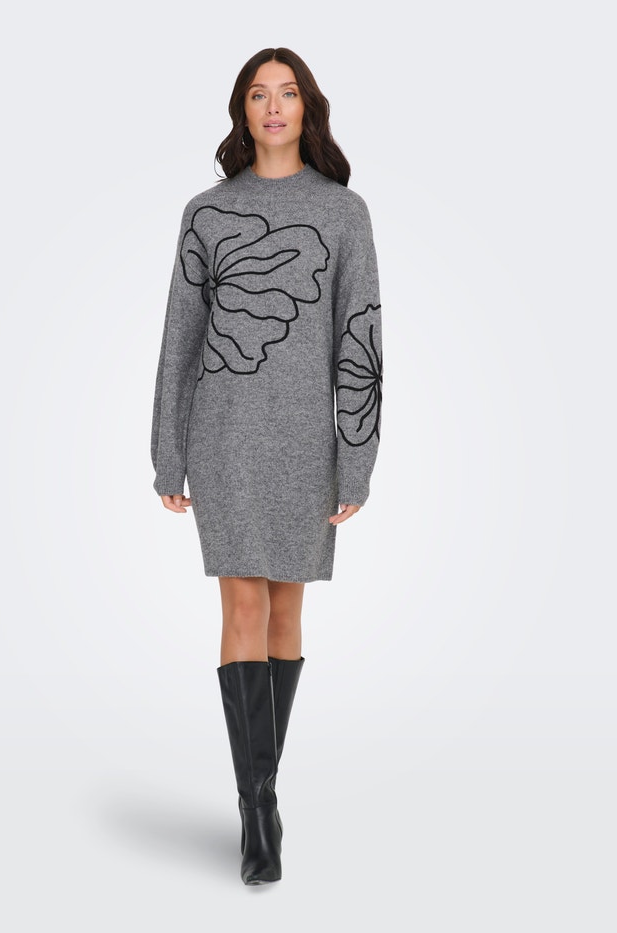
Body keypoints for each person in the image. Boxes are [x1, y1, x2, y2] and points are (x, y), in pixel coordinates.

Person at [150, 47, 383, 885]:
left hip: (305, 442)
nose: (274, 106)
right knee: (243, 600)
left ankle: (264, 787)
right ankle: (257, 809)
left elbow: (362, 336)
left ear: (307, 108)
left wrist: (356, 457)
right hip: (224, 436)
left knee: (287, 609)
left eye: (287, 93)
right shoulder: (207, 212)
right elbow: (179, 340)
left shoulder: (344, 213)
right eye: (258, 94)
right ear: (241, 110)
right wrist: (167, 452)